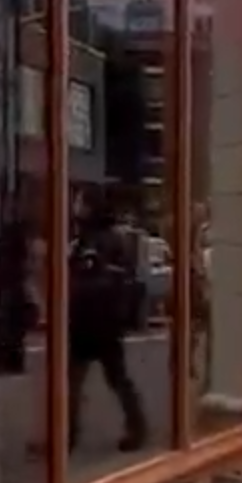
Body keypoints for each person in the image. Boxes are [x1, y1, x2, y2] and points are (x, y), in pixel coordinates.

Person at [67, 191, 148, 455]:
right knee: (83, 380)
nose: (74, 206)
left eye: (79, 201)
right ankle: (67, 433)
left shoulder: (99, 240)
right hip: (95, 320)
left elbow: (100, 277)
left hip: (96, 319)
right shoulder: (89, 238)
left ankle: (68, 434)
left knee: (108, 378)